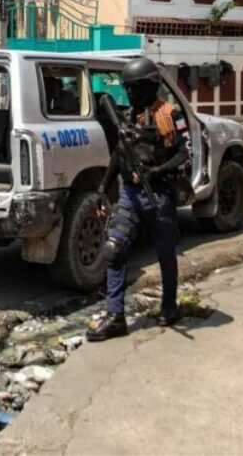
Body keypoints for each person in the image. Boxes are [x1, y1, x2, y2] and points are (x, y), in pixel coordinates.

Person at [88, 57, 192, 342]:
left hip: (158, 195)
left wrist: (157, 170)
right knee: (113, 250)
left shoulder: (170, 116)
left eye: (135, 89)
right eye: (128, 89)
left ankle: (169, 306)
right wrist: (102, 188)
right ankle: (115, 316)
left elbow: (185, 153)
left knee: (165, 253)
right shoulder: (127, 117)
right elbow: (119, 154)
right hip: (129, 195)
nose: (130, 94)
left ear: (151, 87)